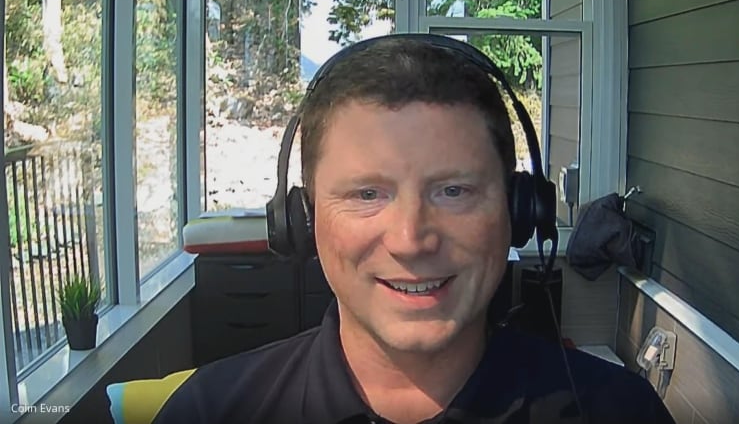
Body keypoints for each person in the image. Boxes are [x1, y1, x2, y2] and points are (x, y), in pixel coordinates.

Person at [153, 35, 675, 424]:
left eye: (453, 191)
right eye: (366, 194)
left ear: (519, 213)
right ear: (303, 219)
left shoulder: (621, 412)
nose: (410, 239)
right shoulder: (209, 411)